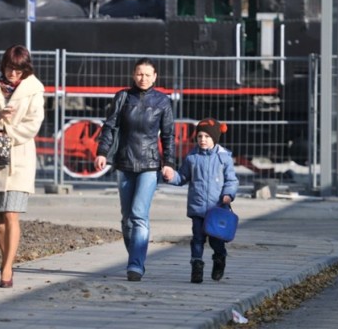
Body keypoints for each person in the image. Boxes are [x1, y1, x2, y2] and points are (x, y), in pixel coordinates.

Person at [94, 57, 176, 282]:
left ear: (155, 77)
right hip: (124, 162)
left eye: (148, 74)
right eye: (140, 74)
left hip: (149, 165)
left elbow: (168, 135)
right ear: (133, 74)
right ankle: (135, 256)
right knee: (127, 218)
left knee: (139, 215)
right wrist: (102, 152)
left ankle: (135, 265)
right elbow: (109, 126)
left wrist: (169, 163)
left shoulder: (162, 102)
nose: (143, 78)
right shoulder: (122, 97)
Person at [0, 45, 45, 288]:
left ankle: (6, 269)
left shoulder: (34, 89)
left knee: (11, 214)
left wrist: (8, 130)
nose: (13, 74)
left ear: (26, 69)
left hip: (19, 157)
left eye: (18, 69)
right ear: (3, 65)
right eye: (10, 68)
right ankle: (9, 259)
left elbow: (34, 123)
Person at [163, 117, 239, 284]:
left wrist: (228, 194)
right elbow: (183, 177)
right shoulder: (192, 157)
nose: (203, 140)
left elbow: (232, 181)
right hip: (197, 208)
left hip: (217, 209)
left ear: (215, 138)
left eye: (207, 137)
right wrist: (171, 176)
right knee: (197, 239)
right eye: (199, 137)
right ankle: (196, 266)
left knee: (216, 240)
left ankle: (219, 258)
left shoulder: (223, 157)